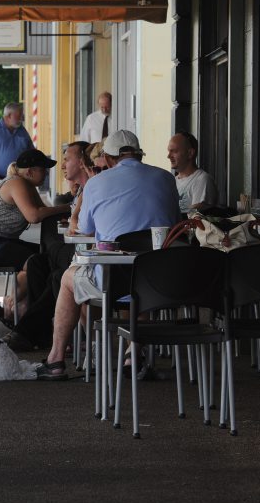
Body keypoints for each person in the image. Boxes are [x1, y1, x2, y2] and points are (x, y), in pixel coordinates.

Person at [36, 130, 180, 380]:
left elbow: (83, 230)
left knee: (68, 279)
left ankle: (56, 358)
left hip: (112, 282)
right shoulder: (166, 178)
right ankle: (132, 353)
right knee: (142, 273)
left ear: (110, 159)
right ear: (138, 154)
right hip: (159, 281)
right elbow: (175, 223)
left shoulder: (96, 184)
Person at [0, 141, 95, 351]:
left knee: (56, 275)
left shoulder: (93, 187)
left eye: (67, 160)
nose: (61, 166)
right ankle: (41, 334)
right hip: (74, 251)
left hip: (88, 254)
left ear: (81, 163)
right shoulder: (82, 189)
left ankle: (26, 331)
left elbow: (81, 226)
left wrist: (73, 210)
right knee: (36, 263)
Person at [0, 149, 71, 317]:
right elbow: (34, 215)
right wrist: (68, 207)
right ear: (29, 171)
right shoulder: (17, 183)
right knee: (37, 262)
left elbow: (45, 210)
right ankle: (24, 312)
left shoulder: (27, 186)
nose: (46, 173)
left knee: (45, 257)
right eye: (43, 169)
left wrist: (67, 210)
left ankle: (17, 309)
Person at [167, 131, 219, 213]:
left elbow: (196, 218)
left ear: (190, 153)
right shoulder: (173, 181)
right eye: (169, 151)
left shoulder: (202, 180)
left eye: (174, 151)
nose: (169, 156)